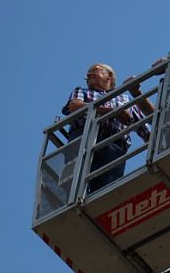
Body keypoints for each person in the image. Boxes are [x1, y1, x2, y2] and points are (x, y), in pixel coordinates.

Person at [62, 63, 151, 193]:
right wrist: (110, 111)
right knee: (75, 186)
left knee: (106, 188)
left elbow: (146, 132)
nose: (88, 75)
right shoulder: (82, 91)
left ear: (109, 75)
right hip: (83, 138)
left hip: (115, 144)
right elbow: (74, 106)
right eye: (87, 73)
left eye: (94, 70)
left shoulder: (125, 99)